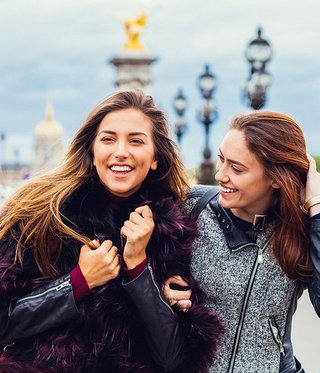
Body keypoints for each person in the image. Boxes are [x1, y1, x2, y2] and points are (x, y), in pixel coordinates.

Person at [0, 90, 224, 373]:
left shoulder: (172, 230)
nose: (121, 151)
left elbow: (173, 359)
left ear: (155, 157)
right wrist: (78, 282)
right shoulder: (40, 216)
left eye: (136, 141)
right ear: (91, 151)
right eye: (108, 139)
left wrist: (138, 267)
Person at [163, 111, 320, 373]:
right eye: (221, 160)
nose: (220, 175)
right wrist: (160, 294)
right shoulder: (190, 208)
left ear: (275, 178)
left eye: (236, 168)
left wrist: (316, 208)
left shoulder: (301, 230)